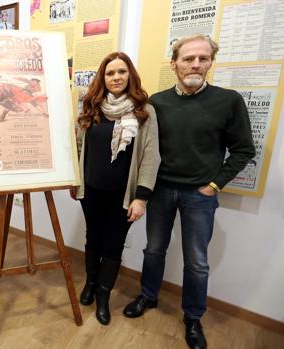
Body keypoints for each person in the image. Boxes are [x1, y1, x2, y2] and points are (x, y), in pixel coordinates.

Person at [122, 34, 255, 349]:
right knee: (154, 250)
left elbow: (243, 150)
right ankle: (148, 296)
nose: (195, 64)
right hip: (161, 191)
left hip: (200, 196)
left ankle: (193, 317)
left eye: (203, 58)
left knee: (197, 261)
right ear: (174, 64)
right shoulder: (157, 102)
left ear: (210, 62)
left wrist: (214, 185)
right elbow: (147, 150)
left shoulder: (228, 100)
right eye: (188, 58)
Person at [70, 52, 160, 326]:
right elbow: (77, 145)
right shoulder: (91, 106)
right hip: (92, 191)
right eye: (110, 73)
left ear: (130, 75)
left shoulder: (144, 110)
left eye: (121, 72)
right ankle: (90, 283)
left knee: (113, 244)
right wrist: (75, 180)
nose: (116, 77)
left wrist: (141, 198)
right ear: (103, 77)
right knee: (92, 239)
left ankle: (104, 295)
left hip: (123, 196)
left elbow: (150, 155)